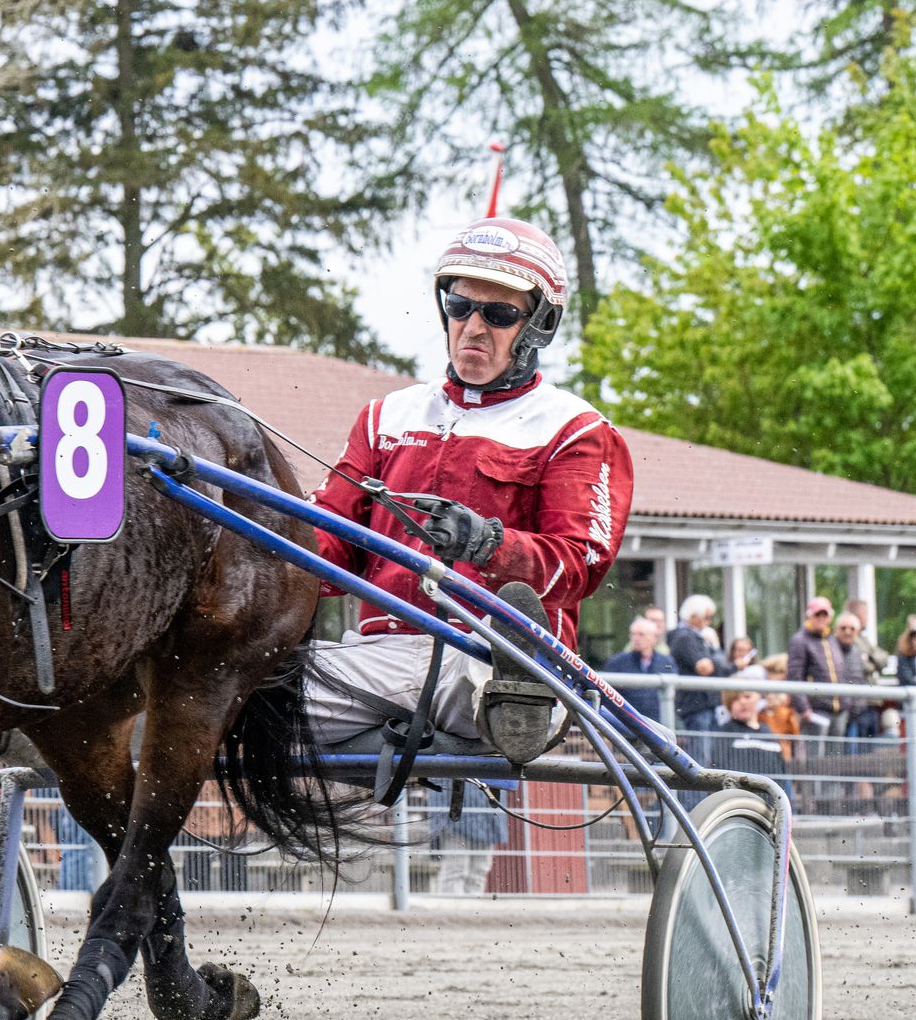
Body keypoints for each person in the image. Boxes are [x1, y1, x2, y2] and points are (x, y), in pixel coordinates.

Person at [306, 218, 633, 763]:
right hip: (378, 656)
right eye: (460, 308)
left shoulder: (574, 429)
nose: (473, 327)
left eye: (498, 314)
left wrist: (489, 545)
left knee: (483, 677)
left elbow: (580, 566)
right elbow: (327, 539)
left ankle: (517, 690)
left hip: (483, 649)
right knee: (248, 700)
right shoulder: (386, 416)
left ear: (539, 326)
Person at [786, 596, 849, 750]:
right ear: (809, 615)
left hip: (839, 710)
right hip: (816, 710)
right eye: (817, 614)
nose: (821, 618)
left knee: (835, 758)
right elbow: (794, 676)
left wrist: (847, 702)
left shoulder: (832, 639)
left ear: (830, 617)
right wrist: (803, 708)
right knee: (815, 758)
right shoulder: (800, 640)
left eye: (824, 614)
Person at [706, 687, 790, 799]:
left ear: (758, 698)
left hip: (770, 803)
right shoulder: (725, 733)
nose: (742, 702)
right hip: (739, 803)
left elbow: (782, 774)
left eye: (747, 696)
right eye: (735, 699)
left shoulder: (769, 733)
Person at [602, 617, 676, 725]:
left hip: (658, 725)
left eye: (641, 634)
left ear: (654, 638)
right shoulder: (616, 663)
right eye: (633, 634)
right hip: (625, 724)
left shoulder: (667, 662)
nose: (636, 638)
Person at [665, 595, 722, 735]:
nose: (709, 622)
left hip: (702, 704)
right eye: (707, 617)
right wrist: (716, 650)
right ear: (694, 616)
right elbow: (704, 668)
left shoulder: (692, 636)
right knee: (699, 748)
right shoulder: (685, 637)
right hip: (696, 706)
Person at [830, 610, 874, 750]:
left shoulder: (857, 651)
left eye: (852, 629)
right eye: (843, 628)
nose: (847, 632)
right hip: (836, 713)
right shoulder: (829, 649)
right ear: (836, 629)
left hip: (857, 712)